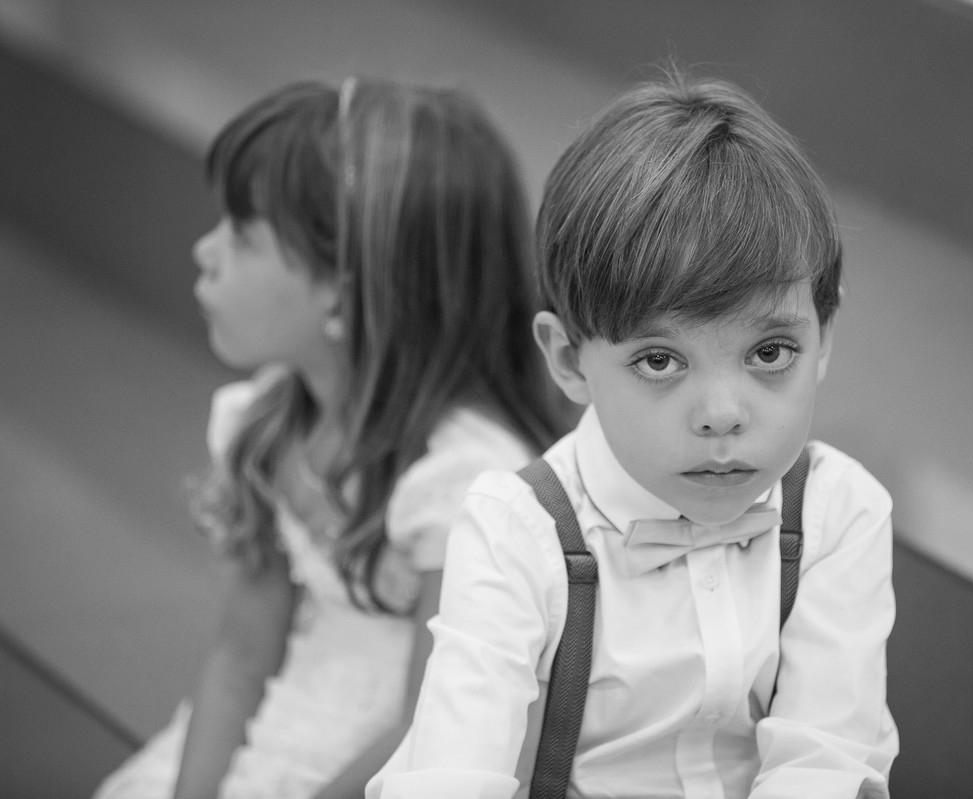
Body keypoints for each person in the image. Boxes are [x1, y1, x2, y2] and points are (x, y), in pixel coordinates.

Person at [367, 68, 899, 799]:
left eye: (769, 353)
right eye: (659, 360)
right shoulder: (516, 531)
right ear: (567, 359)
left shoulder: (838, 511)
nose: (722, 412)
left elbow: (824, 760)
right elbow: (452, 772)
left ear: (824, 335)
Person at [93, 76, 560, 799]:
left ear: (343, 295)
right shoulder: (269, 425)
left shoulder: (466, 482)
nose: (205, 251)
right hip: (280, 728)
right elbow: (242, 657)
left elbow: (430, 725)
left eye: (243, 236)